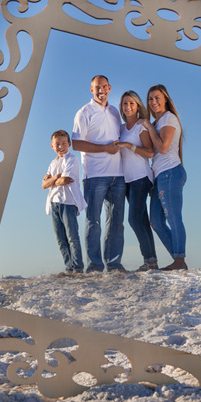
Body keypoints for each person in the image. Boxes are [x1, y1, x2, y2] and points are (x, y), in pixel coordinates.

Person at [72, 75, 126, 273]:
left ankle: (114, 264)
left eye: (104, 86)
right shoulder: (84, 112)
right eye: (97, 87)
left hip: (118, 175)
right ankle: (94, 266)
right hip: (95, 176)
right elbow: (76, 143)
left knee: (116, 222)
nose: (101, 90)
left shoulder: (114, 112)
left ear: (109, 88)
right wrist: (104, 148)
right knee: (93, 221)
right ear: (91, 89)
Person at [139, 84, 188, 270]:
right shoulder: (156, 124)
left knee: (173, 218)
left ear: (165, 99)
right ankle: (178, 260)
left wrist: (149, 127)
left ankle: (179, 261)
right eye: (150, 99)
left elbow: (163, 148)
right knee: (156, 222)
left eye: (157, 98)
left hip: (171, 172)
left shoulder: (169, 118)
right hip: (159, 176)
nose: (153, 102)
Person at [115, 90, 158, 271]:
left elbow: (150, 152)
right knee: (142, 220)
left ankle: (148, 259)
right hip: (127, 180)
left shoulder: (141, 126)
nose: (128, 107)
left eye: (132, 103)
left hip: (141, 178)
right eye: (125, 103)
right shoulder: (120, 128)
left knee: (133, 219)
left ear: (138, 106)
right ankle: (152, 261)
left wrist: (128, 145)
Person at [42, 130, 87, 274]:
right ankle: (69, 267)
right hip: (54, 203)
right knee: (60, 238)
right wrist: (56, 177)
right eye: (57, 144)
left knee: (72, 236)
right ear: (52, 146)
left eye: (63, 143)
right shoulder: (52, 163)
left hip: (68, 202)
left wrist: (51, 180)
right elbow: (44, 185)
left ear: (69, 144)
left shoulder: (72, 159)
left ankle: (78, 268)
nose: (60, 146)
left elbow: (65, 180)